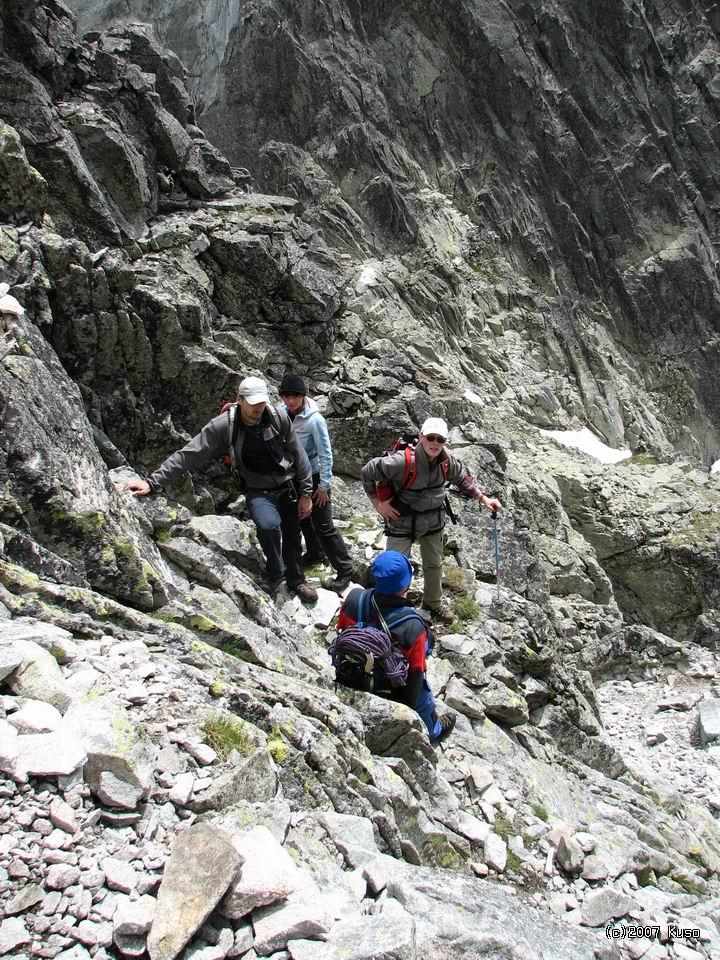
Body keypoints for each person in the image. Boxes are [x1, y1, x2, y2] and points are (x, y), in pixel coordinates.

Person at [123, 376, 318, 602]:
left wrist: (306, 493)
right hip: (257, 488)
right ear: (240, 400)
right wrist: (153, 482)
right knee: (268, 526)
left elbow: (299, 455)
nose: (258, 408)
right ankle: (276, 572)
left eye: (261, 403)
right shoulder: (224, 425)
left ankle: (297, 580)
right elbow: (191, 453)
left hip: (288, 485)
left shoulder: (277, 417)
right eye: (253, 403)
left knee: (293, 533)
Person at [361, 417, 502, 623]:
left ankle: (433, 603)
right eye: (430, 438)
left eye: (440, 439)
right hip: (401, 520)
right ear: (421, 438)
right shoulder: (401, 461)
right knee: (394, 567)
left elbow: (462, 479)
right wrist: (378, 504)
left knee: (434, 564)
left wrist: (483, 498)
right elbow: (367, 472)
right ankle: (388, 608)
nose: (435, 443)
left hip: (433, 521)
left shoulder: (447, 461)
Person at [335, 550, 456, 743]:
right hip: (390, 686)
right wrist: (404, 712)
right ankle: (434, 729)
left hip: (352, 676)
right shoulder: (413, 627)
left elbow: (342, 632)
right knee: (424, 697)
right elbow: (415, 677)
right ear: (406, 585)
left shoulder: (354, 599)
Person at [277, 372, 355, 593]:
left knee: (323, 525)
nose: (290, 401)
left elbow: (326, 454)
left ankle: (345, 569)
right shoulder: (281, 411)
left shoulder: (314, 419)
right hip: (293, 475)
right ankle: (314, 552)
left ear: (304, 396)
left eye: (295, 396)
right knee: (302, 518)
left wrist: (324, 486)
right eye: (286, 396)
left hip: (315, 475)